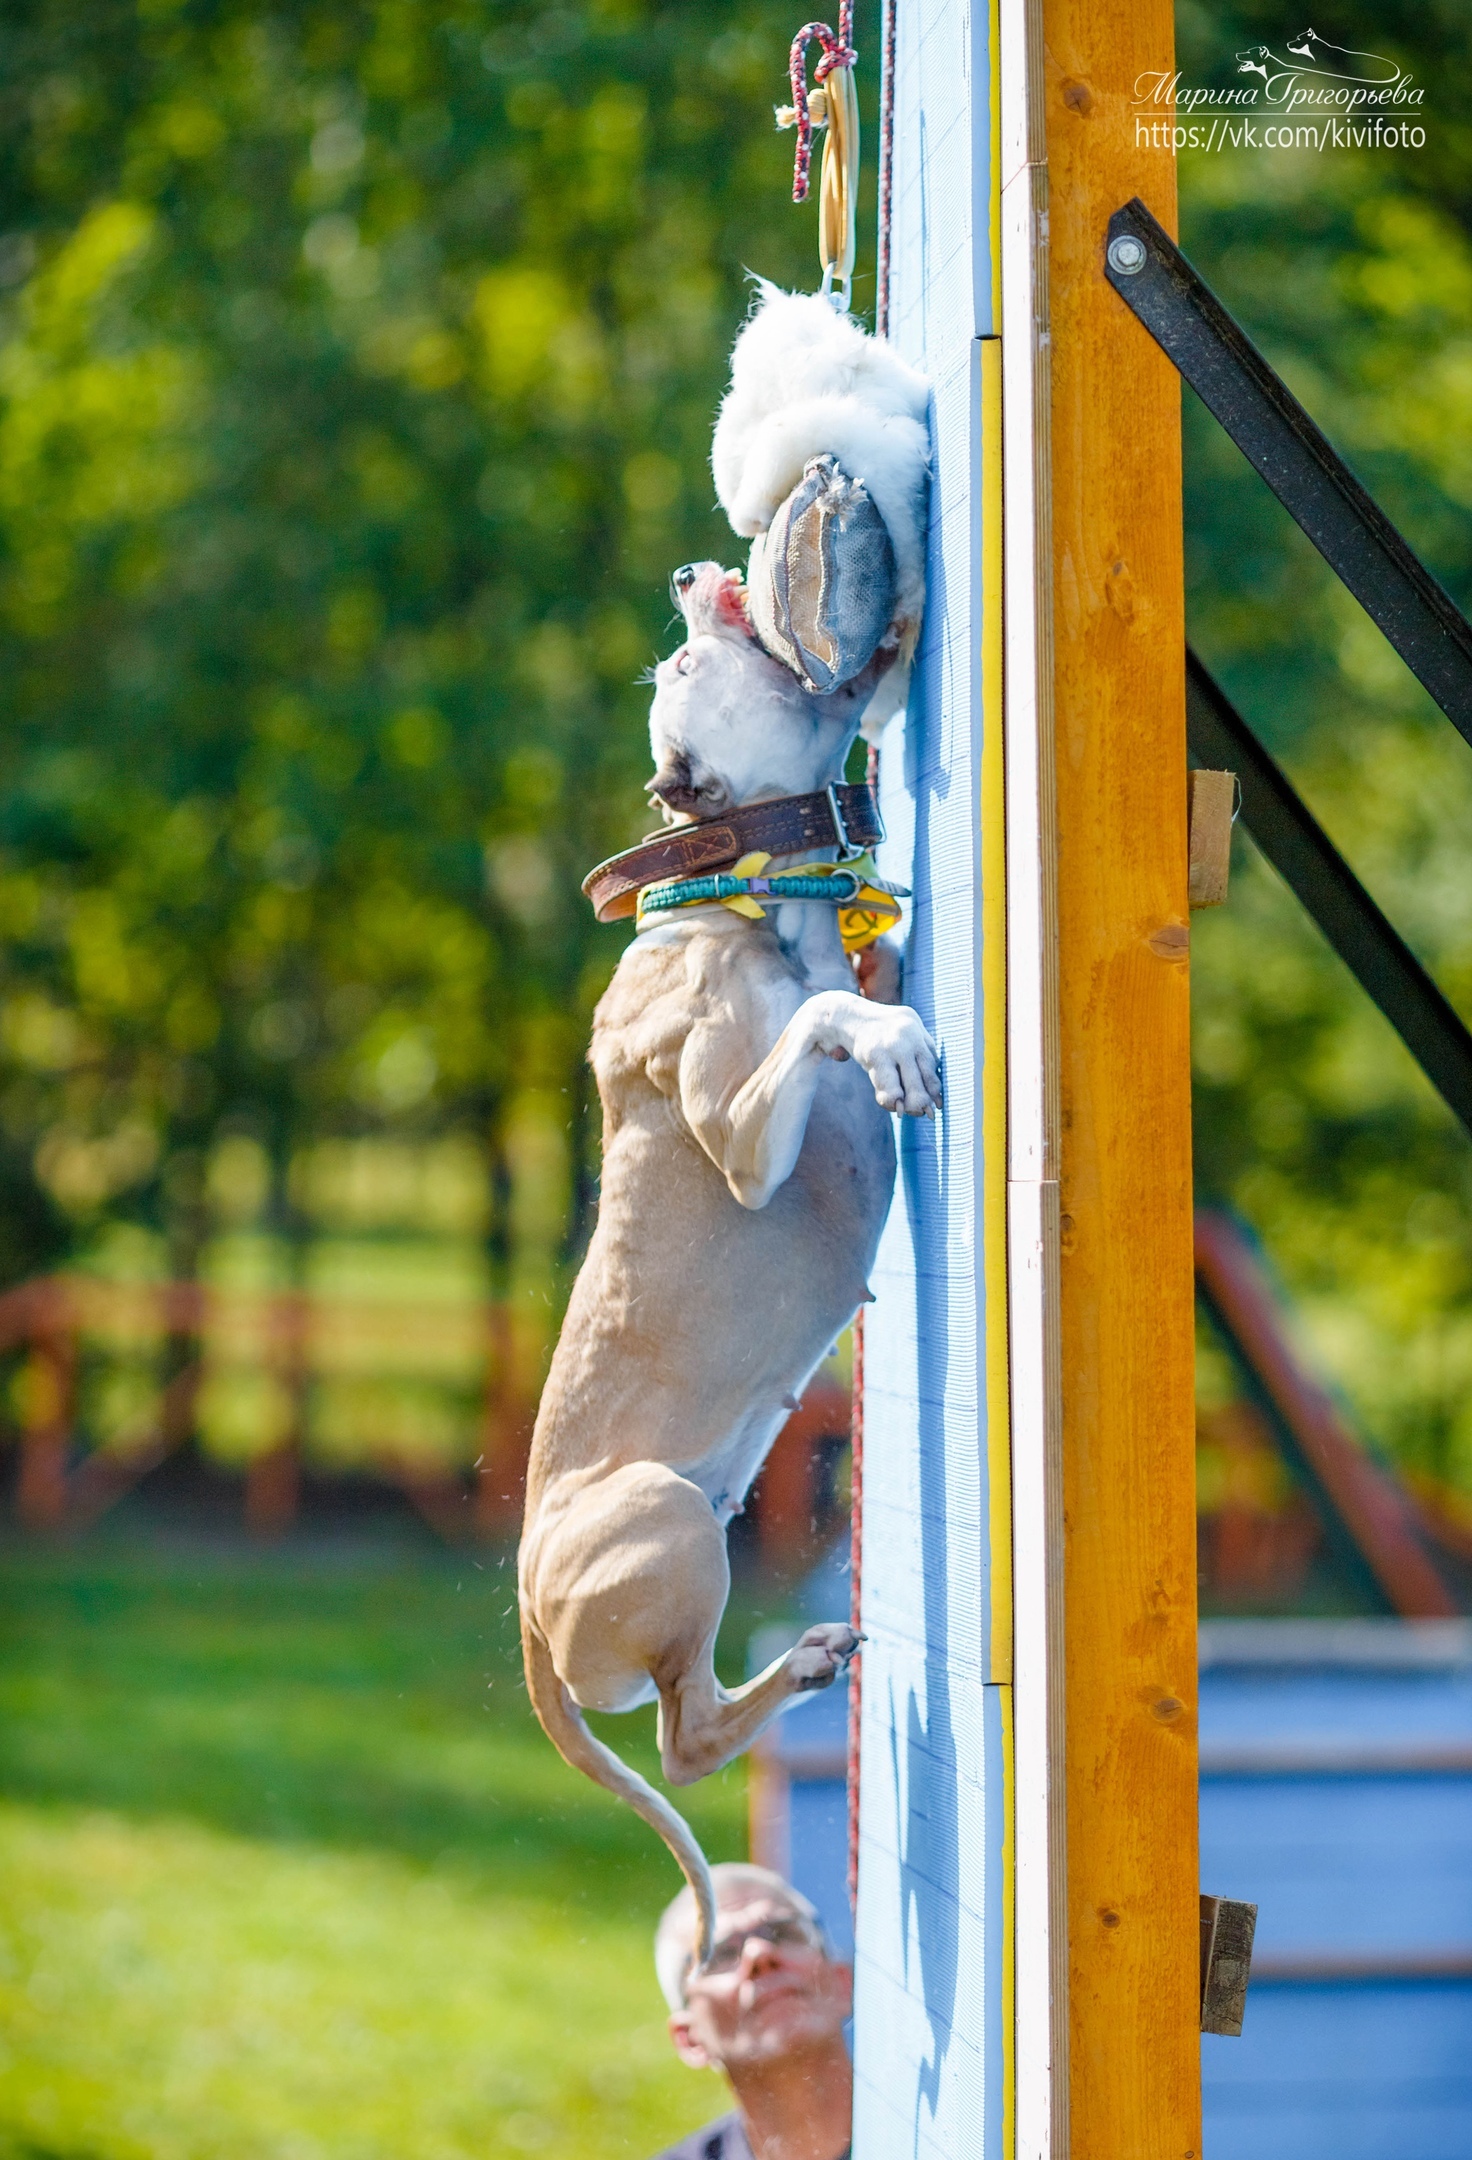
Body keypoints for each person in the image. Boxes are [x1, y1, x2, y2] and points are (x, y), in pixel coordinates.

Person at [650, 1863, 853, 2160]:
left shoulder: (938, 2130)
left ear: (842, 1982)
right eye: (722, 1954)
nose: (759, 1953)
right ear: (689, 2038)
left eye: (783, 1934)